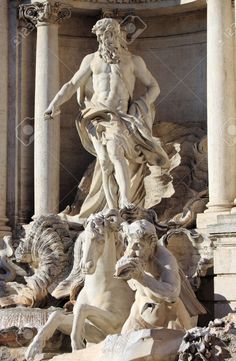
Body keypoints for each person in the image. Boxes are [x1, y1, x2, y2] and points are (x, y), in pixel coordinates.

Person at [44, 18, 171, 219]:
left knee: (115, 153)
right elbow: (71, 84)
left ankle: (124, 201)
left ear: (118, 34)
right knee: (104, 162)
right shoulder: (92, 60)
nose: (107, 39)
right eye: (103, 36)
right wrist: (54, 104)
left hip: (118, 116)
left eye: (111, 34)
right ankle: (111, 206)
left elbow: (154, 87)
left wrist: (140, 105)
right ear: (99, 37)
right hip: (95, 114)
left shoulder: (133, 60)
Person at [115, 219, 205, 332]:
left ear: (151, 244)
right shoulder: (132, 252)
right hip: (139, 312)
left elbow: (172, 293)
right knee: (120, 345)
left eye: (138, 245)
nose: (132, 250)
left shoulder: (165, 259)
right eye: (130, 242)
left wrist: (141, 277)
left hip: (170, 318)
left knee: (180, 347)